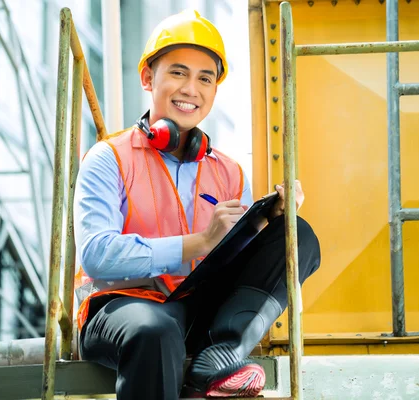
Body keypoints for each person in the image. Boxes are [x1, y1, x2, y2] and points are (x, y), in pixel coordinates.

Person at [72, 9, 321, 400]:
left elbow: (237, 263)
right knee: (154, 330)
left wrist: (268, 218)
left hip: (195, 310)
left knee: (295, 232)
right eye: (178, 72)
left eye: (205, 78)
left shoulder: (230, 173)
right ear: (148, 78)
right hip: (121, 309)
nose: (192, 88)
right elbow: (97, 256)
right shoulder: (108, 158)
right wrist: (199, 242)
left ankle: (222, 354)